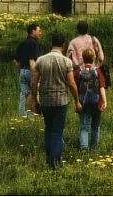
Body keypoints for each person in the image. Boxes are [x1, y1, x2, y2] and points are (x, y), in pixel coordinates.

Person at [30, 30, 82, 170]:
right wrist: (77, 101)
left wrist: (35, 100)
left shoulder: (40, 60)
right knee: (58, 131)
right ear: (63, 45)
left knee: (48, 129)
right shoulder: (66, 61)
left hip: (45, 100)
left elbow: (34, 82)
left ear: (51, 44)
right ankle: (55, 163)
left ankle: (48, 159)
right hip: (61, 101)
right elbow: (71, 84)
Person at [76, 47, 108, 151]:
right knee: (95, 126)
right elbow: (102, 87)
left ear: (83, 58)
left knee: (84, 126)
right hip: (96, 102)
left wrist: (76, 101)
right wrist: (105, 101)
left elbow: (75, 88)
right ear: (93, 58)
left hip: (83, 102)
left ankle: (84, 147)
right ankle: (94, 149)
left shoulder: (78, 72)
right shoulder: (97, 71)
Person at [13, 23, 41, 117]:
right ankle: (33, 114)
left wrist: (21, 70)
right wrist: (34, 75)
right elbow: (32, 61)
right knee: (34, 93)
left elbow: (16, 61)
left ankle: (22, 115)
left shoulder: (22, 43)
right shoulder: (34, 43)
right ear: (33, 31)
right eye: (39, 30)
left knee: (23, 94)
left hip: (23, 71)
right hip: (31, 71)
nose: (40, 33)